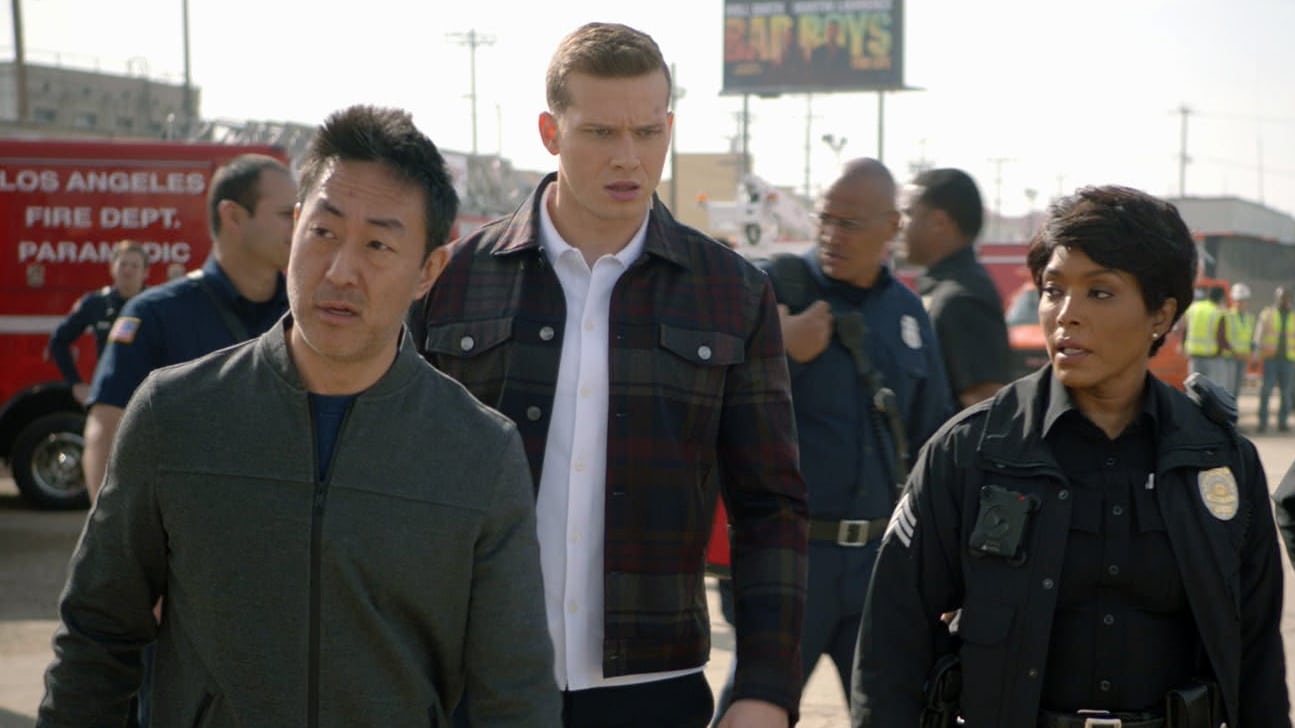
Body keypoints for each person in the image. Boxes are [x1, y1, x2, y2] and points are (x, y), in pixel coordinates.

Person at [37, 104, 561, 727]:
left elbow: (514, 690)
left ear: (428, 270)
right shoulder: (174, 414)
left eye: (378, 244)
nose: (341, 271)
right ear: (293, 232)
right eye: (323, 232)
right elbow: (96, 636)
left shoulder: (478, 451)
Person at [409, 22, 808, 728]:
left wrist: (765, 689)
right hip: (473, 680)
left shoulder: (732, 293)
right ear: (549, 132)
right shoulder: (453, 280)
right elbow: (394, 480)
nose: (628, 157)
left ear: (668, 129)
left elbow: (768, 506)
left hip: (654, 687)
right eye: (599, 133)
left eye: (648, 132)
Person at [851, 185, 1289, 728]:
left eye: (1099, 292)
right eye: (1053, 290)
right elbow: (891, 642)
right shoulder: (971, 450)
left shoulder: (1219, 461)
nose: (1066, 315)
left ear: (1161, 314)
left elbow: (1258, 655)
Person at [713, 158, 953, 720]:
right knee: (753, 710)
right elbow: (713, 401)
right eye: (825, 219)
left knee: (898, 714)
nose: (832, 235)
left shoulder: (907, 313)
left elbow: (935, 437)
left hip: (878, 563)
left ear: (891, 226)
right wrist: (781, 347)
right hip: (791, 562)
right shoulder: (774, 289)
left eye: (849, 224)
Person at [81, 152, 295, 500]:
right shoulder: (156, 315)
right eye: (286, 214)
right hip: (189, 528)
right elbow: (106, 431)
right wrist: (113, 530)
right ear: (233, 216)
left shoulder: (305, 316)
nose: (299, 226)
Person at [903, 167, 1011, 408]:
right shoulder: (939, 290)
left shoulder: (961, 299)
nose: (899, 225)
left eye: (908, 214)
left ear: (939, 222)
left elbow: (984, 405)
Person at [46, 240, 148, 405]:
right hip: (109, 396)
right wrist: (75, 383)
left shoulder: (156, 305)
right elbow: (58, 341)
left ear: (145, 272)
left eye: (135, 266)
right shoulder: (96, 303)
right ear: (112, 268)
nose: (128, 270)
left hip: (147, 395)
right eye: (123, 264)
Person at [1254, 286, 1294, 433]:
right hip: (1270, 359)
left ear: (1289, 299)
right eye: (1280, 297)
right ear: (1276, 298)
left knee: (1286, 392)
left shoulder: (1293, 316)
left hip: (1288, 360)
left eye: (1285, 297)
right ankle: (1262, 422)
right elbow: (1258, 335)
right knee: (1266, 390)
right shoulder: (1267, 314)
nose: (1283, 300)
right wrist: (1256, 355)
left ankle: (1282, 422)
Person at [1183, 283, 1231, 387]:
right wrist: (1229, 350)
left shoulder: (1193, 308)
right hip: (1211, 358)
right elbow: (1220, 337)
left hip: (1194, 355)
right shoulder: (1218, 312)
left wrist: (1183, 346)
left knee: (1194, 387)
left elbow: (1185, 329)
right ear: (1221, 298)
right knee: (1211, 390)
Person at [1225, 281, 1255, 398]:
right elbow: (1225, 338)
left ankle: (1234, 407)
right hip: (1230, 358)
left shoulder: (1249, 318)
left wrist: (1249, 354)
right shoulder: (1227, 315)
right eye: (1238, 300)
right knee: (1229, 387)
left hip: (1243, 358)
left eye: (1243, 300)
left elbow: (1249, 339)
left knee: (1237, 387)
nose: (1240, 303)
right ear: (1233, 300)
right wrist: (1234, 352)